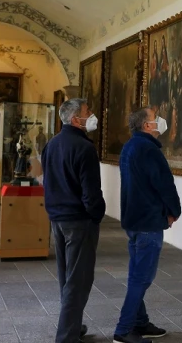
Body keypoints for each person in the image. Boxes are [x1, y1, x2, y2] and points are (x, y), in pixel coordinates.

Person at [113, 107, 182, 343]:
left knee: (136, 273)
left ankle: (140, 323)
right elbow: (164, 184)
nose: (159, 121)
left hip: (133, 219)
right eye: (155, 118)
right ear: (146, 126)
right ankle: (123, 332)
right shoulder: (148, 149)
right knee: (141, 278)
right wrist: (174, 211)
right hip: (147, 221)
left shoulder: (130, 146)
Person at [41, 98, 105, 343]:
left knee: (67, 276)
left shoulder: (52, 144)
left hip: (57, 218)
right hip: (79, 220)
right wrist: (97, 214)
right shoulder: (84, 148)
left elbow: (49, 182)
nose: (92, 115)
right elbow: (91, 193)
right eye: (88, 112)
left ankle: (73, 326)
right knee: (78, 280)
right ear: (76, 118)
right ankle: (67, 336)